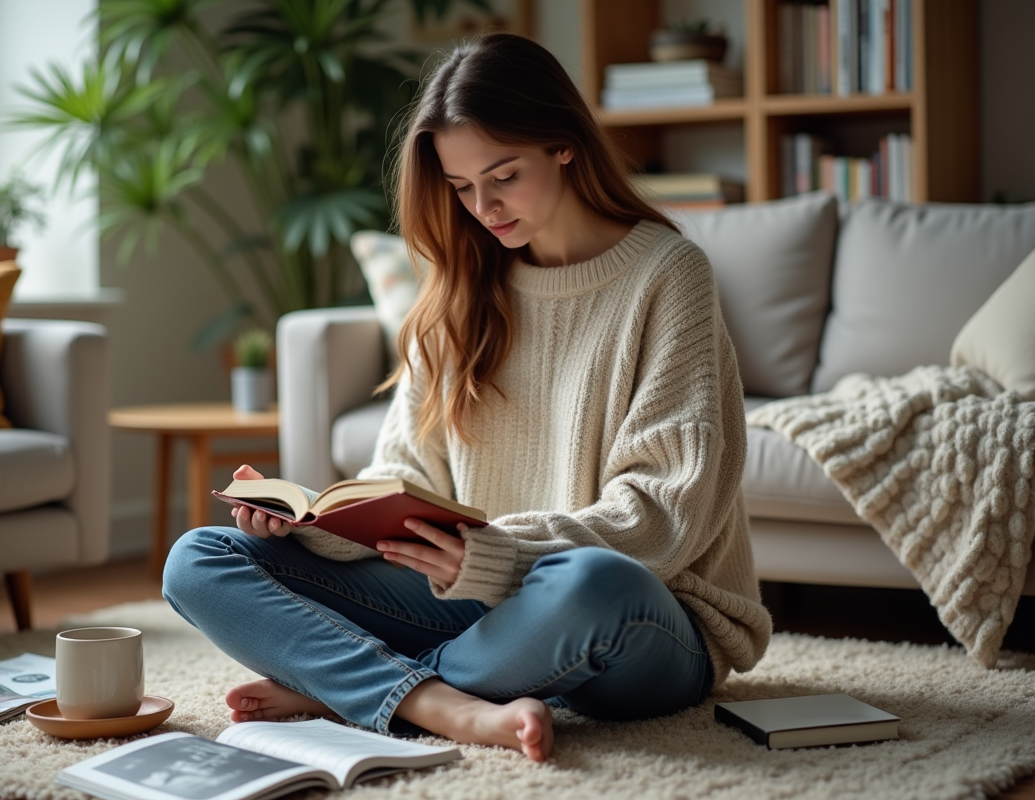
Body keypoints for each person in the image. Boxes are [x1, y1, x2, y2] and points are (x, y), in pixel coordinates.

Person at [162, 33, 771, 763]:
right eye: (459, 187)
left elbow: (664, 515)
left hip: (639, 619)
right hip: (471, 606)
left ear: (564, 144)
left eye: (503, 176)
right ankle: (437, 703)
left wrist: (497, 558)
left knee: (596, 582)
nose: (483, 207)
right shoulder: (459, 287)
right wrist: (305, 524)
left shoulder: (669, 275)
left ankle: (357, 689)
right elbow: (404, 488)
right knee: (198, 559)